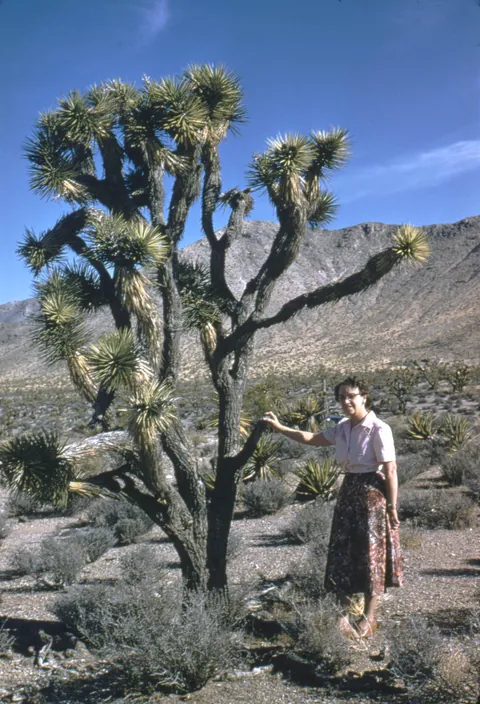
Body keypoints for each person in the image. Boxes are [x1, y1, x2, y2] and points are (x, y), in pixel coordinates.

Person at [263, 376, 402, 639]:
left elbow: (390, 468)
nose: (346, 401)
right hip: (348, 491)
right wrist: (280, 428)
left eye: (351, 395)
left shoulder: (378, 428)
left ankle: (369, 618)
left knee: (372, 556)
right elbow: (311, 438)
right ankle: (343, 615)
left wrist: (392, 507)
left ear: (364, 396)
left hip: (373, 494)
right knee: (344, 553)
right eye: (341, 397)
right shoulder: (343, 428)